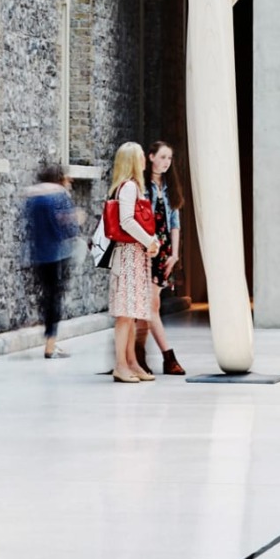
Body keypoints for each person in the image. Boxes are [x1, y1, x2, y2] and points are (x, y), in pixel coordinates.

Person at [108, 141, 160, 383]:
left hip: (134, 254)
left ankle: (131, 363)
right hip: (129, 255)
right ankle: (121, 365)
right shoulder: (129, 187)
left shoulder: (131, 187)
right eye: (140, 156)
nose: (143, 161)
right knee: (125, 315)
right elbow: (127, 221)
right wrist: (150, 240)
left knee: (131, 314)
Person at [135, 142, 186, 376]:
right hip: (145, 248)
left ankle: (138, 355)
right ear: (151, 157)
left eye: (170, 158)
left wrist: (175, 254)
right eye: (163, 157)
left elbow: (174, 223)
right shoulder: (140, 185)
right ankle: (168, 357)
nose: (166, 162)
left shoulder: (169, 187)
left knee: (147, 306)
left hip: (163, 251)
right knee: (151, 305)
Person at [24, 163, 78, 359]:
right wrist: (76, 220)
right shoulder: (59, 196)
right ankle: (50, 345)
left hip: (38, 253)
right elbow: (67, 226)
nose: (70, 180)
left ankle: (51, 341)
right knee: (55, 298)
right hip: (58, 253)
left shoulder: (33, 198)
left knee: (46, 297)